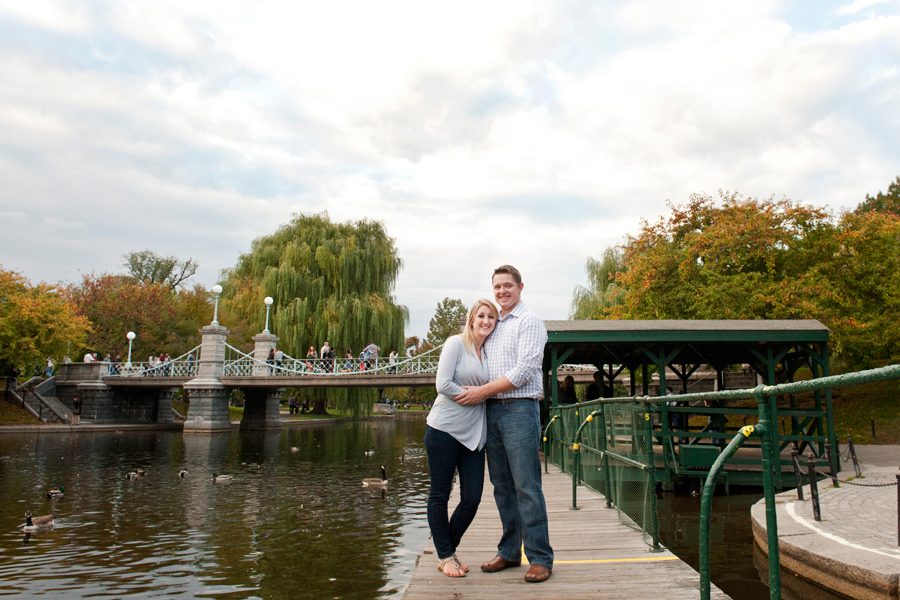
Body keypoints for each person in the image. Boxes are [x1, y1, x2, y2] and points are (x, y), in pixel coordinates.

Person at [456, 264, 553, 584]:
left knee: (527, 486)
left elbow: (525, 370)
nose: (502, 292)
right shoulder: (493, 324)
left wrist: (481, 391)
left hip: (519, 410)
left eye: (508, 286)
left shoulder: (530, 322)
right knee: (502, 487)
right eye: (497, 287)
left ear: (520, 287)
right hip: (491, 412)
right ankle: (510, 551)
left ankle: (539, 557)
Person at [426, 298, 498, 578]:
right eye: (481, 315)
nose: (486, 321)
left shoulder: (490, 353)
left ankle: (447, 549)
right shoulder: (456, 343)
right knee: (440, 494)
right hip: (444, 430)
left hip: (474, 436)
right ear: (471, 319)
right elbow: (442, 384)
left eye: (491, 317)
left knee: (472, 498)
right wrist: (474, 395)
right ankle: (445, 556)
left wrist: (484, 393)